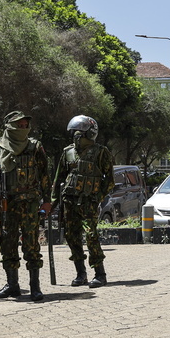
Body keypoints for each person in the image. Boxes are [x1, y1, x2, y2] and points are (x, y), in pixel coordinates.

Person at [0, 111, 52, 301]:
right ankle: (12, 285)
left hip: (30, 202)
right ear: (8, 127)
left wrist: (47, 200)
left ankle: (35, 287)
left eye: (25, 125)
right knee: (7, 243)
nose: (22, 129)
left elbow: (45, 175)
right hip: (7, 203)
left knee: (31, 244)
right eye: (18, 125)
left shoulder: (35, 146)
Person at [52, 115, 115, 288]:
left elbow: (109, 180)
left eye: (80, 132)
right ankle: (80, 274)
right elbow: (59, 179)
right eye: (75, 132)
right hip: (69, 201)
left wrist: (97, 198)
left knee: (91, 236)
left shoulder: (101, 152)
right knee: (71, 236)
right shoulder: (68, 152)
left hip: (89, 202)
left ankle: (100, 274)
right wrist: (52, 203)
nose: (76, 135)